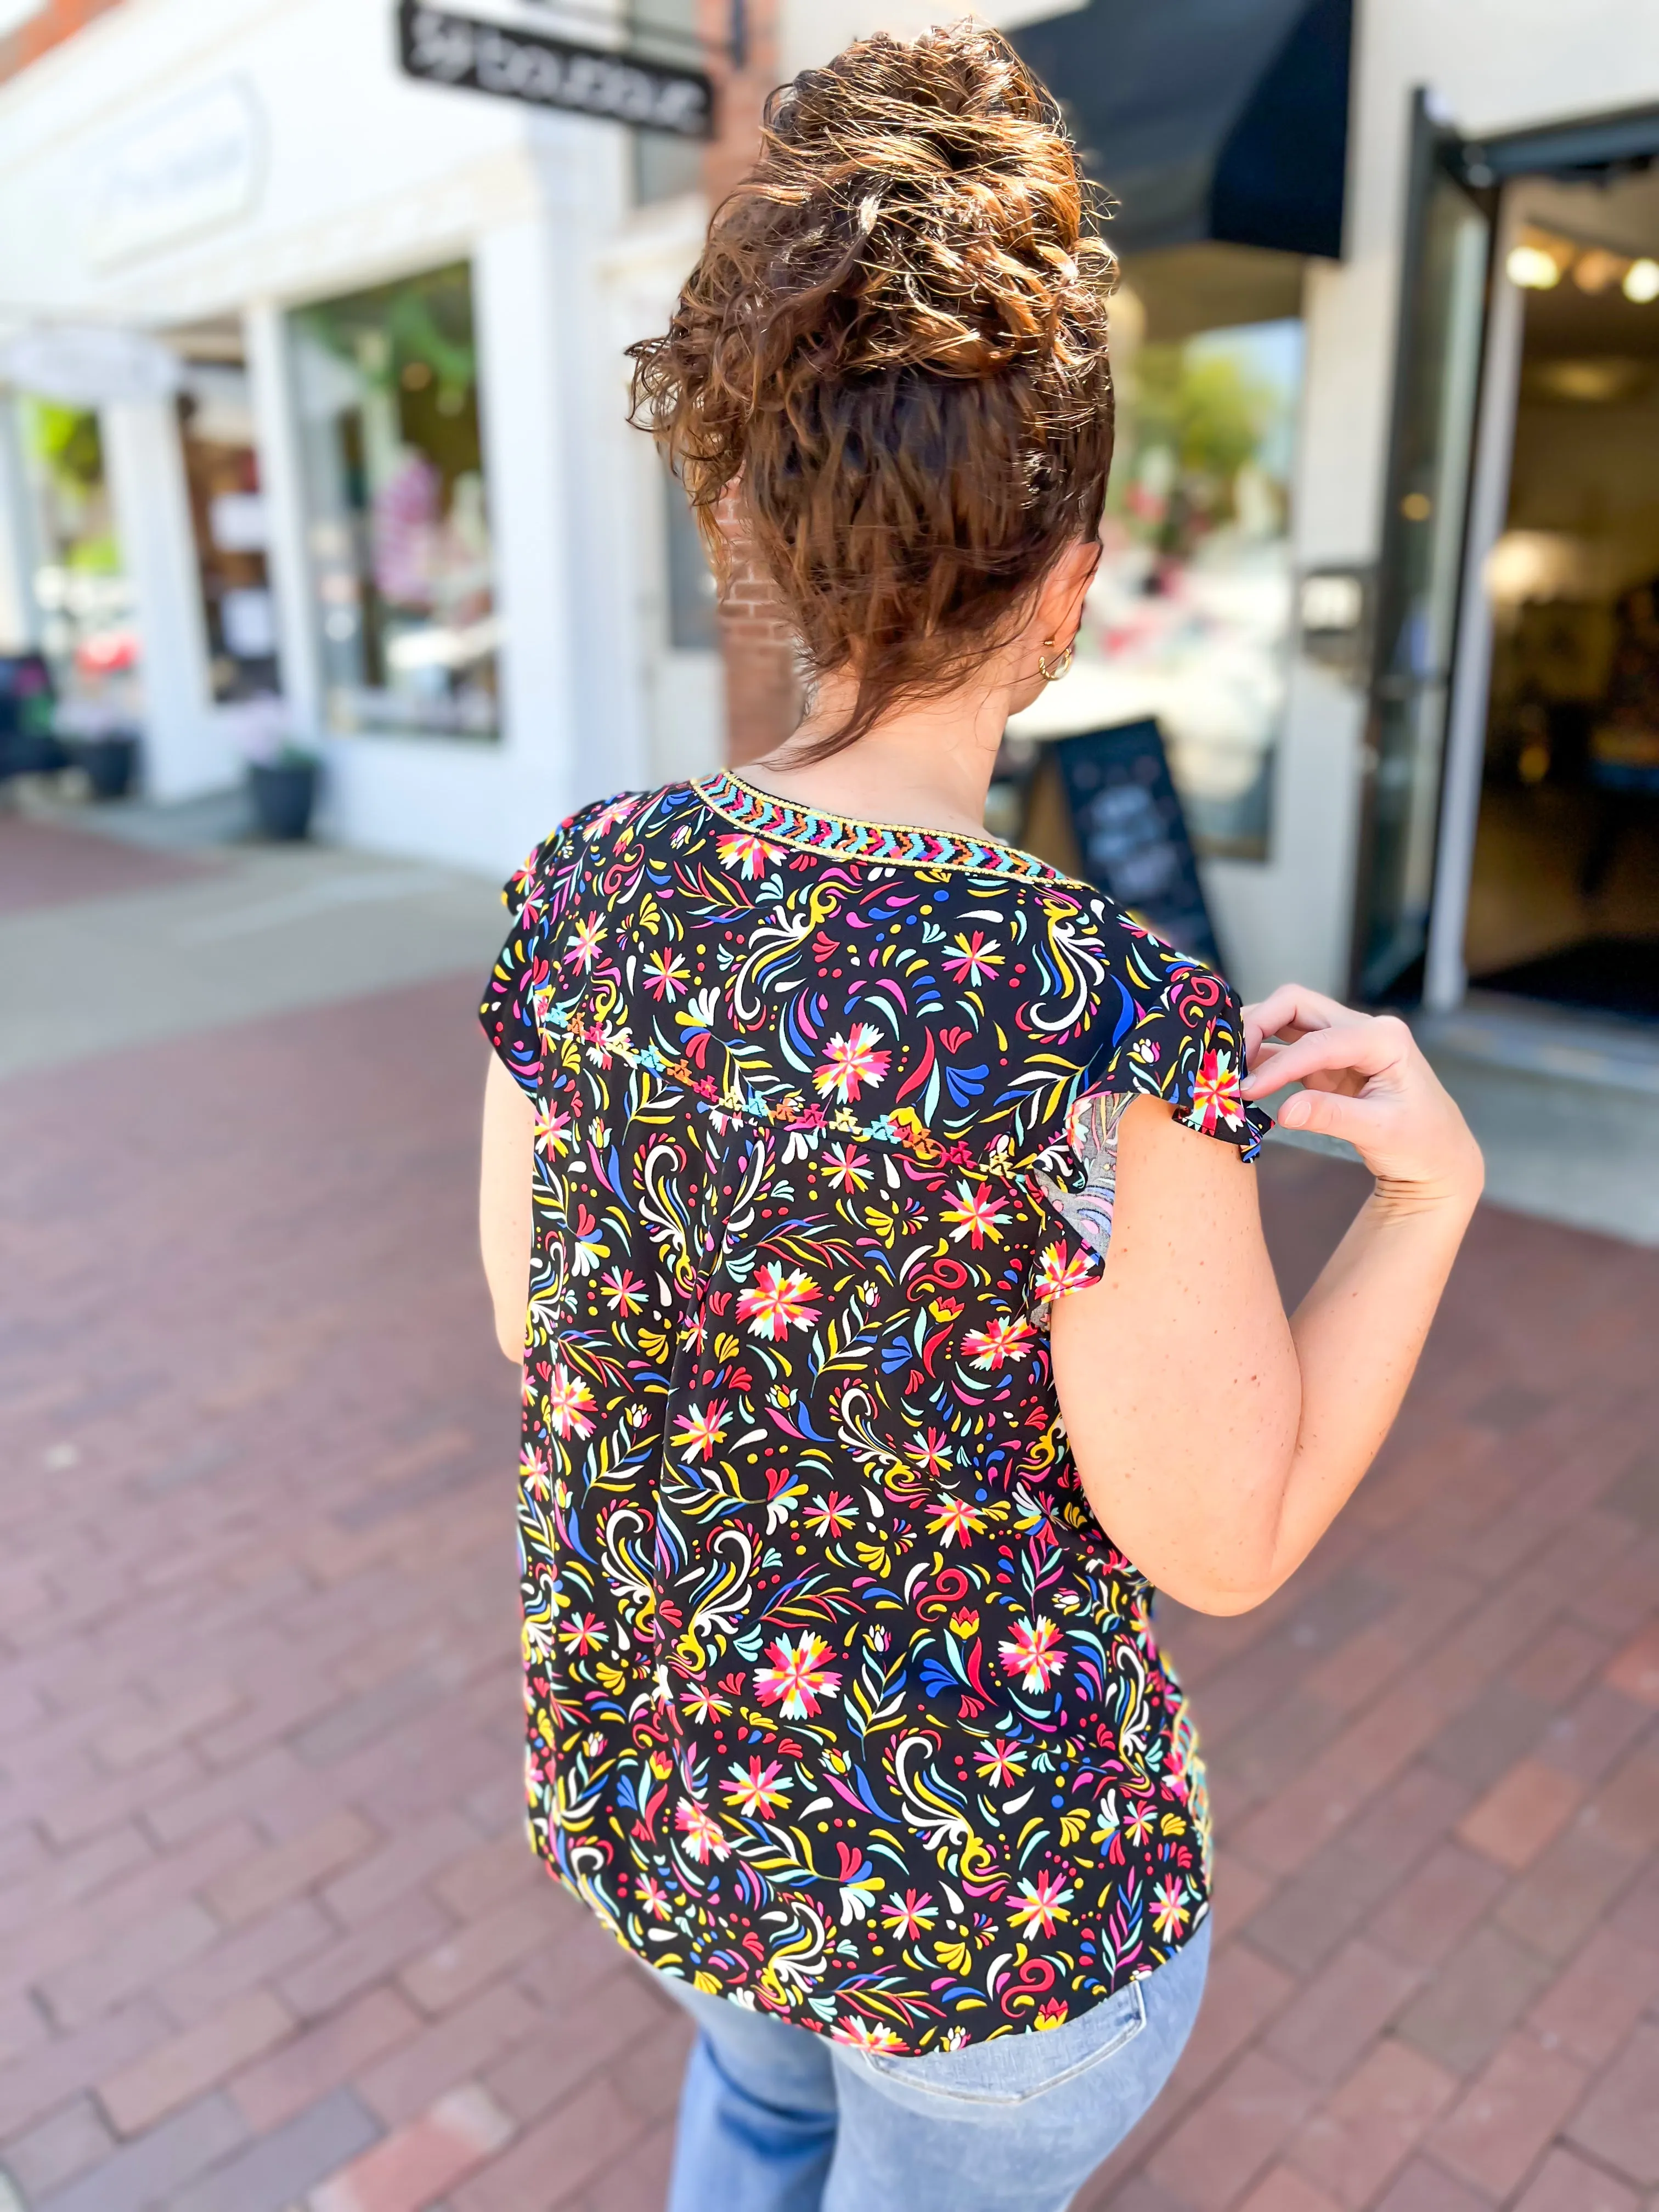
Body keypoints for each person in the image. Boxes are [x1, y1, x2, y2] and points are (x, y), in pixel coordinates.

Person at [477, 24, 1483, 2211]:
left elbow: (542, 1336)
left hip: (688, 1808)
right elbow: (1224, 1545)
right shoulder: (1100, 1020)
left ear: (755, 518)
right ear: (1070, 578)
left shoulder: (587, 897)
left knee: (753, 2107)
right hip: (985, 1923)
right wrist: (1425, 1195)